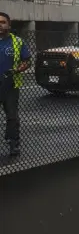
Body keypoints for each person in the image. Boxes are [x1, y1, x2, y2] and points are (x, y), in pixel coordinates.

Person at [0, 12, 31, 156]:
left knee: (12, 117)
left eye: (3, 22)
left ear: (9, 25)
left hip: (10, 85)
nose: (0, 25)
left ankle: (14, 143)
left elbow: (27, 61)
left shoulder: (17, 42)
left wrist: (16, 70)